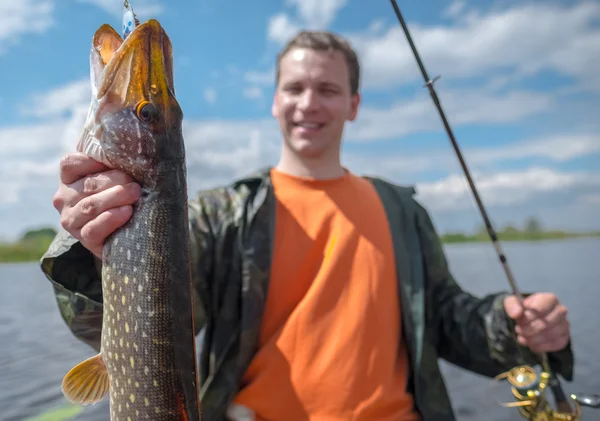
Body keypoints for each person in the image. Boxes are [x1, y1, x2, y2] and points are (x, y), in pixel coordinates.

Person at [41, 30, 574, 421]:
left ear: (354, 105)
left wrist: (514, 326)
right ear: (275, 101)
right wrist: (86, 247)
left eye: (327, 89)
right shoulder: (220, 214)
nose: (308, 103)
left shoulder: (403, 210)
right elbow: (143, 321)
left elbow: (446, 319)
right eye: (295, 88)